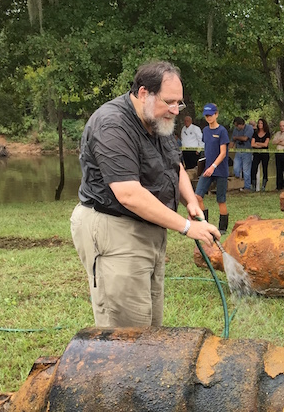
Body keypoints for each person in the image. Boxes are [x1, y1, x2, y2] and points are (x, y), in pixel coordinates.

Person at [70, 60, 219, 328]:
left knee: (150, 326)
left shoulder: (157, 120)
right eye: (169, 102)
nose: (175, 110)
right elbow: (128, 194)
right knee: (126, 332)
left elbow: (176, 166)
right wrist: (187, 228)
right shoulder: (112, 125)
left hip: (150, 229)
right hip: (114, 230)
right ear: (143, 93)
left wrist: (191, 202)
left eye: (179, 103)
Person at [192, 103, 230, 226]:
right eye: (206, 115)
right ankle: (204, 223)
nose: (208, 118)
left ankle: (222, 227)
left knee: (220, 200)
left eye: (211, 115)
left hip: (220, 170)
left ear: (216, 114)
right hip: (207, 169)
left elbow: (223, 153)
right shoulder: (205, 131)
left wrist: (213, 166)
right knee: (197, 196)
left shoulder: (222, 131)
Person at [230, 116, 254, 191]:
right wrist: (228, 150)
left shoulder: (249, 128)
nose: (236, 127)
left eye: (237, 125)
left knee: (246, 170)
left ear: (241, 124)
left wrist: (236, 138)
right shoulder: (235, 130)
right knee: (236, 169)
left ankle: (247, 187)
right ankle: (236, 186)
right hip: (238, 151)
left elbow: (245, 138)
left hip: (247, 151)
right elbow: (232, 141)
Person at [251, 118, 271, 191]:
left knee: (265, 168)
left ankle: (263, 186)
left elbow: (266, 144)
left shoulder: (267, 133)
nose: (260, 125)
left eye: (261, 123)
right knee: (254, 168)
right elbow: (252, 144)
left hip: (264, 154)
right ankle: (253, 185)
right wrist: (259, 145)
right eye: (259, 123)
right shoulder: (255, 133)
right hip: (256, 153)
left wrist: (258, 143)